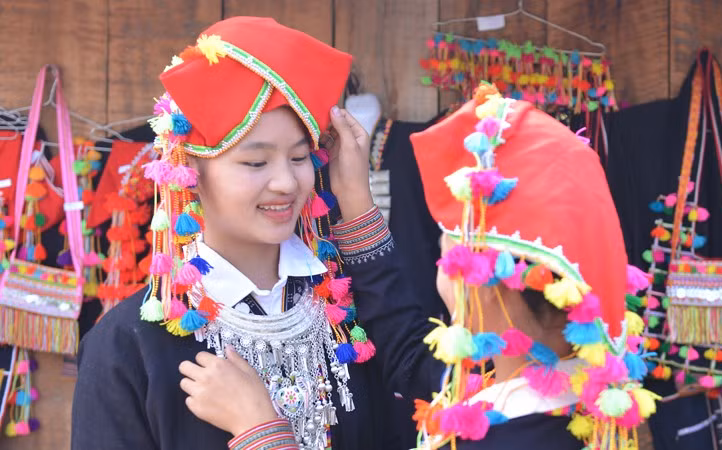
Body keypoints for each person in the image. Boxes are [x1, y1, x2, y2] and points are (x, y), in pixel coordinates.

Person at [180, 84, 661, 448]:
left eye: (447, 250)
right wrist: (356, 201)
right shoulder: (568, 398)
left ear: (485, 288)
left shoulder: (506, 433)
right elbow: (407, 350)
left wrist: (261, 430)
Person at [71, 17, 418, 450]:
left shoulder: (354, 319)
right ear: (190, 169)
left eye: (299, 158)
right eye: (256, 163)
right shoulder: (126, 347)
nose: (286, 183)